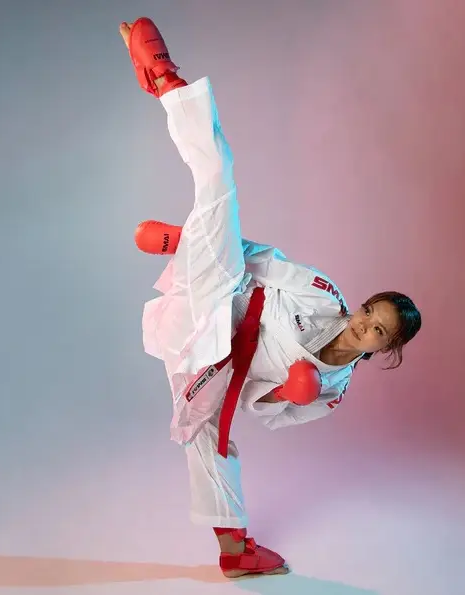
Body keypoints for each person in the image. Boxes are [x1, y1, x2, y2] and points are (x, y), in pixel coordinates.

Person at [119, 17, 422, 578]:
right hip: (222, 296)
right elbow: (257, 258)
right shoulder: (323, 293)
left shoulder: (333, 391)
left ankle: (235, 550)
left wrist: (287, 391)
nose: (363, 325)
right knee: (219, 181)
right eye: (368, 312)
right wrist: (194, 243)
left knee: (207, 444)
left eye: (378, 330)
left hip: (219, 369)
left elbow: (269, 413)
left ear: (387, 348)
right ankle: (167, 83)